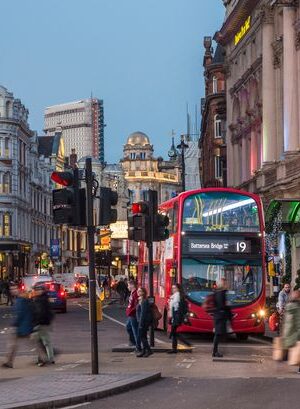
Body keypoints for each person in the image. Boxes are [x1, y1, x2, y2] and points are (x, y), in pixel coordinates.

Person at [2, 284, 34, 368]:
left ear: (18, 289)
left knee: (13, 344)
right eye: (11, 289)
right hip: (23, 325)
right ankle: (9, 361)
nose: (13, 290)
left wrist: (15, 323)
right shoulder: (19, 298)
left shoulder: (21, 299)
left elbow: (20, 313)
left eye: (14, 289)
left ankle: (45, 357)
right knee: (31, 343)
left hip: (21, 325)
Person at [32, 284, 55, 366]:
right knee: (45, 341)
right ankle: (49, 358)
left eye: (38, 290)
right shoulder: (44, 298)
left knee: (40, 342)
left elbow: (40, 312)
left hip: (41, 323)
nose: (36, 291)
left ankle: (44, 359)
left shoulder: (40, 300)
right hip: (44, 322)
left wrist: (36, 322)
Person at [212, 278, 232, 358]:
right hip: (220, 316)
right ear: (222, 284)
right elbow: (221, 305)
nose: (227, 285)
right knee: (218, 334)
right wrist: (227, 305)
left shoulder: (218, 292)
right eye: (225, 283)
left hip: (219, 316)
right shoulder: (221, 293)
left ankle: (216, 351)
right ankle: (215, 352)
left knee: (220, 334)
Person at [282, 289, 300, 373]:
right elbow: (298, 321)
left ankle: (285, 357)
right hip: (296, 332)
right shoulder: (296, 307)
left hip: (289, 332)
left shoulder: (289, 306)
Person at [168, 283, 186, 354]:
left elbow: (178, 308)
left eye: (174, 288)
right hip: (174, 316)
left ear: (178, 289)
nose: (173, 289)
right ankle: (174, 349)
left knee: (173, 332)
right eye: (172, 288)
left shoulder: (178, 296)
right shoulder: (174, 296)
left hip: (176, 317)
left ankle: (185, 343)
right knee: (174, 333)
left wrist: (176, 317)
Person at [136, 287, 152, 358]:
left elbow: (143, 313)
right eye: (138, 291)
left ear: (143, 293)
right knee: (144, 336)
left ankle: (149, 350)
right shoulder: (141, 300)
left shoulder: (144, 301)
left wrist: (141, 323)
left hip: (144, 321)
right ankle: (144, 351)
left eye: (139, 291)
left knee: (142, 336)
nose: (138, 292)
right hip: (142, 320)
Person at [126, 280, 141, 352]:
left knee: (135, 330)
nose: (128, 287)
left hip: (133, 314)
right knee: (128, 327)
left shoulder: (135, 294)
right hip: (130, 314)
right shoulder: (132, 293)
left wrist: (131, 311)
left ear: (132, 285)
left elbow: (137, 305)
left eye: (128, 285)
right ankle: (134, 342)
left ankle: (138, 346)